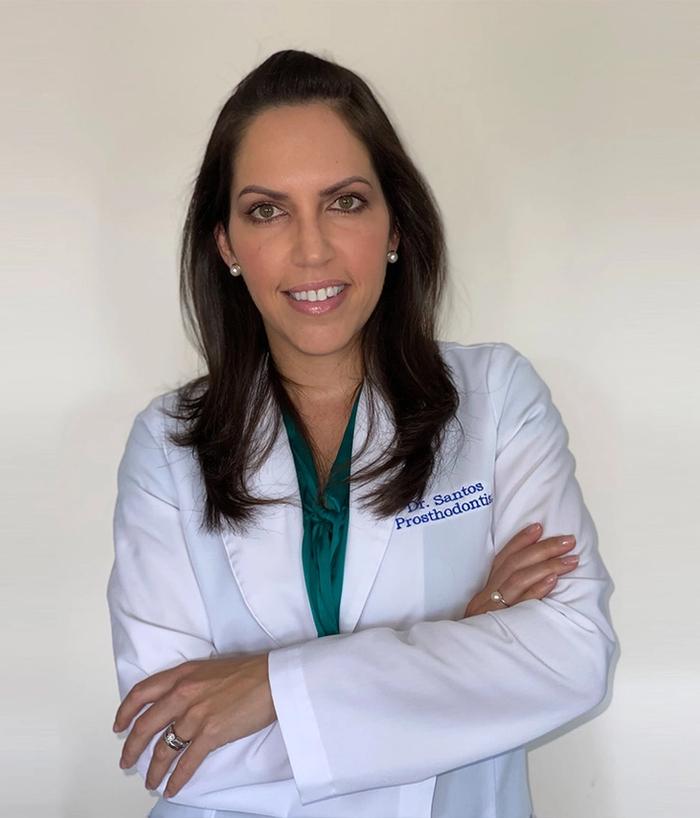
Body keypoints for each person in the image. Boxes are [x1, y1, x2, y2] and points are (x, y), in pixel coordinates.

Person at [106, 49, 616, 818]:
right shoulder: (167, 445)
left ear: (395, 228)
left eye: (344, 202)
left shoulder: (495, 399)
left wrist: (267, 688)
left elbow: (573, 658)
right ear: (225, 246)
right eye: (266, 210)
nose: (311, 249)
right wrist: (458, 644)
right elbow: (174, 744)